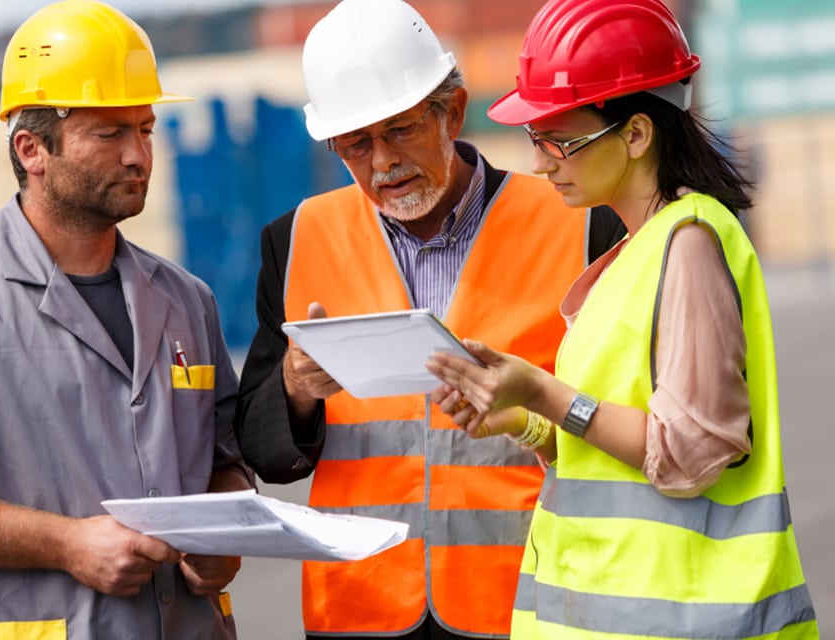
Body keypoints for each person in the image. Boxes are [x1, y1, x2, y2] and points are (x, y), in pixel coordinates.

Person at [425, 0, 819, 638]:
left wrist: (546, 389)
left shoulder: (688, 244)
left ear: (636, 134)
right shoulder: (640, 252)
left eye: (559, 139)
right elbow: (614, 450)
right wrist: (527, 420)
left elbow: (688, 456)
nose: (541, 162)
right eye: (534, 139)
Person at [234, 0, 624, 637]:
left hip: (535, 603)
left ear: (453, 112)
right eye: (356, 144)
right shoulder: (297, 239)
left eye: (401, 131)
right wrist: (296, 390)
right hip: (360, 609)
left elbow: (624, 414)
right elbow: (264, 450)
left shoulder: (582, 225)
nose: (382, 162)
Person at [0, 1, 253, 638]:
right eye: (110, 133)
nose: (139, 156)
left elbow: (226, 456)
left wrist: (225, 528)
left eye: (146, 129)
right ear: (32, 150)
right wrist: (67, 544)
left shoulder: (189, 300)